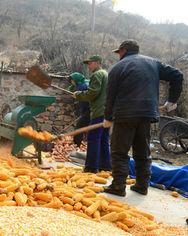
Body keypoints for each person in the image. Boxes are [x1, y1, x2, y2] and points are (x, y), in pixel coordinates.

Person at [103, 40, 183, 196]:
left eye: (118, 52)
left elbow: (110, 96)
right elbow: (177, 75)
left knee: (119, 151)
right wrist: (172, 100)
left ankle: (118, 186)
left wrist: (108, 117)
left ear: (124, 50)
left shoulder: (118, 68)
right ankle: (142, 185)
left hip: (125, 115)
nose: (118, 55)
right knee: (142, 151)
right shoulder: (153, 63)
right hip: (147, 114)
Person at [74, 55, 111, 173]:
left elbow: (92, 93)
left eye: (90, 63)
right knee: (103, 138)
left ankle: (91, 167)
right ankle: (105, 166)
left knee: (93, 137)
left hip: (98, 111)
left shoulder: (97, 75)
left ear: (97, 63)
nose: (88, 66)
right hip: (107, 112)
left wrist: (78, 95)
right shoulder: (106, 74)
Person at [68, 72, 90, 147]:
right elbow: (71, 88)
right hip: (89, 109)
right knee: (83, 127)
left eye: (72, 81)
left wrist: (83, 113)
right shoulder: (83, 83)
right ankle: (80, 143)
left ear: (76, 80)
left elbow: (83, 101)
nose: (71, 82)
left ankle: (76, 144)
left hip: (88, 109)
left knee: (79, 127)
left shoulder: (82, 86)